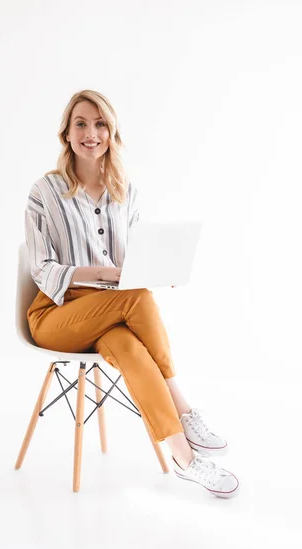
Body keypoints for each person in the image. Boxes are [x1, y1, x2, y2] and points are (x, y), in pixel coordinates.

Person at [24, 89, 240, 499]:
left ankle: (184, 458)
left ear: (113, 132)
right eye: (81, 124)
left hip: (111, 314)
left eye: (101, 123)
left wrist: (159, 269)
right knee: (137, 298)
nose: (92, 133)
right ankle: (186, 409)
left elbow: (134, 262)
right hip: (56, 315)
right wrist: (107, 273)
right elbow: (42, 268)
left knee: (131, 346)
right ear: (66, 134)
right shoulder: (45, 192)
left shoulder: (126, 191)